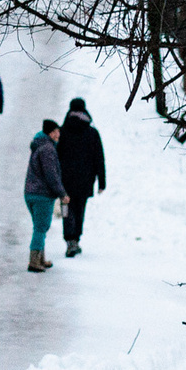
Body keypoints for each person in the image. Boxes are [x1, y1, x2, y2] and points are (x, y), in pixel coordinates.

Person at [56, 97, 108, 256]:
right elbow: (99, 158)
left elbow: (55, 157)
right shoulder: (92, 133)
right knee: (80, 210)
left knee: (66, 210)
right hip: (85, 180)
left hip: (65, 181)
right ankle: (76, 239)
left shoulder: (62, 132)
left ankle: (69, 240)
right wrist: (102, 182)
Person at [24, 118, 67, 272]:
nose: (58, 134)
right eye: (55, 131)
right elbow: (51, 175)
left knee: (39, 227)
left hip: (31, 193)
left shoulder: (39, 145)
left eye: (58, 131)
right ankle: (34, 261)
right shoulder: (48, 149)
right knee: (41, 227)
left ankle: (40, 258)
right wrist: (62, 193)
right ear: (49, 133)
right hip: (42, 194)